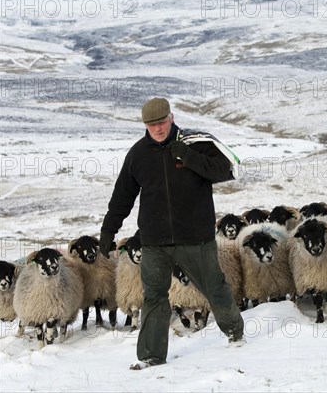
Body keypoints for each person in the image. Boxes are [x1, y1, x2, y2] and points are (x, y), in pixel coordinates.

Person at [99, 97, 244, 370]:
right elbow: (122, 197)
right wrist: (108, 230)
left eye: (162, 122)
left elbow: (229, 168)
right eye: (151, 125)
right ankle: (151, 355)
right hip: (154, 241)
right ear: (145, 125)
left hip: (195, 237)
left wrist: (189, 158)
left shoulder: (196, 141)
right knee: (153, 296)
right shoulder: (138, 154)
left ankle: (235, 331)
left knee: (213, 287)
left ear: (172, 117)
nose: (157, 129)